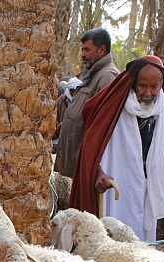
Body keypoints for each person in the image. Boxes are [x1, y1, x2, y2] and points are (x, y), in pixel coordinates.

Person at [69, 55, 164, 242]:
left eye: (153, 86)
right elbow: (91, 142)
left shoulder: (163, 107)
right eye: (142, 85)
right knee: (116, 236)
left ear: (161, 85)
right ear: (132, 83)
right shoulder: (115, 106)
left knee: (145, 239)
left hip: (148, 183)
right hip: (118, 183)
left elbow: (156, 137)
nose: (148, 92)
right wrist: (97, 171)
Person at [53, 27, 119, 178]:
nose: (83, 54)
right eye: (82, 50)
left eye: (87, 50)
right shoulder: (93, 74)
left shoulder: (107, 77)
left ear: (102, 49)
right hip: (79, 166)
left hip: (89, 168)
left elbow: (103, 127)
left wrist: (96, 168)